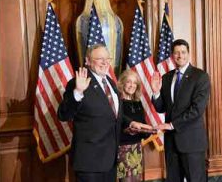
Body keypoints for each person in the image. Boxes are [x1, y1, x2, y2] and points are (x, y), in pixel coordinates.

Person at [57, 44, 153, 182]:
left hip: (111, 159)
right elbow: (63, 114)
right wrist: (77, 93)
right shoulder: (78, 83)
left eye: (107, 59)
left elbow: (113, 115)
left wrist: (131, 123)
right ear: (88, 61)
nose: (105, 62)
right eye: (100, 59)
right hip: (90, 162)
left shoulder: (111, 83)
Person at [151, 39, 210, 182]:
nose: (180, 55)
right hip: (172, 143)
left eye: (183, 52)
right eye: (176, 53)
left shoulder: (200, 77)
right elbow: (161, 108)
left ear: (189, 54)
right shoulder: (166, 78)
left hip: (192, 142)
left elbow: (197, 110)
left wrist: (171, 125)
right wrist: (156, 93)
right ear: (172, 56)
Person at [116, 69, 149, 182]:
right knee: (127, 180)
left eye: (135, 83)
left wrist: (151, 130)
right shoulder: (117, 102)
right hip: (123, 148)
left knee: (137, 179)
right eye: (129, 82)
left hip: (137, 148)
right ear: (122, 83)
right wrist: (128, 129)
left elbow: (143, 123)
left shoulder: (138, 103)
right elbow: (115, 125)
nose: (132, 85)